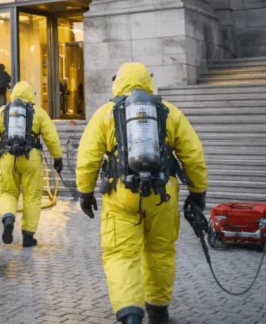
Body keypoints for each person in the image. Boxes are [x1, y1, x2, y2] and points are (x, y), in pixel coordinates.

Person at [76, 62, 208, 324]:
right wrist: (198, 192)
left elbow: (88, 157)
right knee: (160, 251)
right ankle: (158, 310)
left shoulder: (106, 113)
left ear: (118, 82)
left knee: (121, 254)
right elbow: (193, 155)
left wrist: (85, 193)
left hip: (121, 195)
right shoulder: (169, 112)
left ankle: (130, 315)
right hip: (162, 194)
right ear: (148, 81)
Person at [0, 81, 63, 248]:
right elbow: (51, 136)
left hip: (7, 158)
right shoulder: (38, 112)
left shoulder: (2, 111)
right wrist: (58, 158)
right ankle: (28, 235)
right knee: (32, 196)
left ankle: (8, 217)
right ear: (30, 95)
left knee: (7, 192)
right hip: (31, 157)